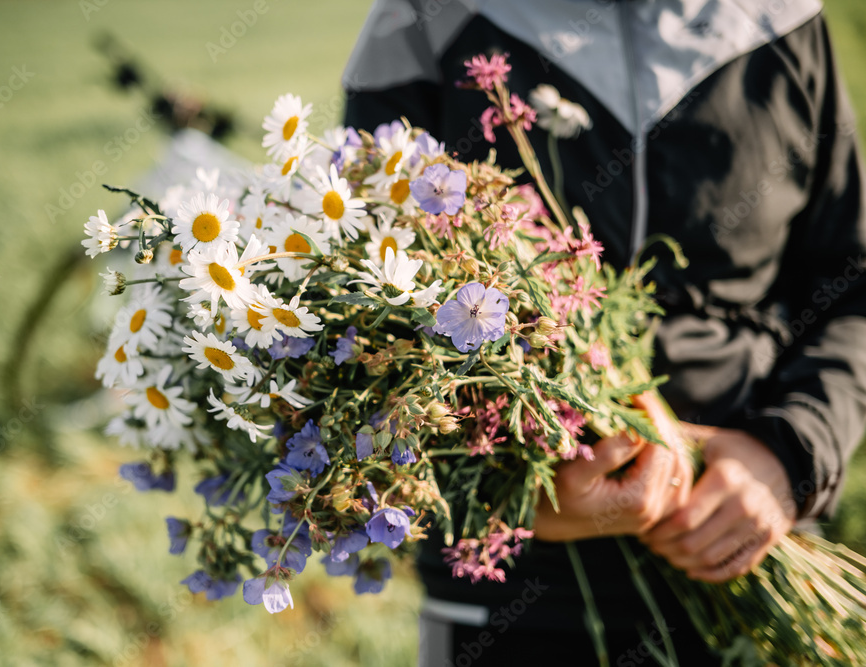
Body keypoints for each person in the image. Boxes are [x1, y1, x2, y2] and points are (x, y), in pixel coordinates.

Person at [342, 0, 866, 664]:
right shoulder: (427, 17)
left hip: (744, 570)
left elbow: (849, 288)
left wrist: (789, 455)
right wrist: (521, 498)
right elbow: (363, 332)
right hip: (512, 604)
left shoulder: (783, 19)